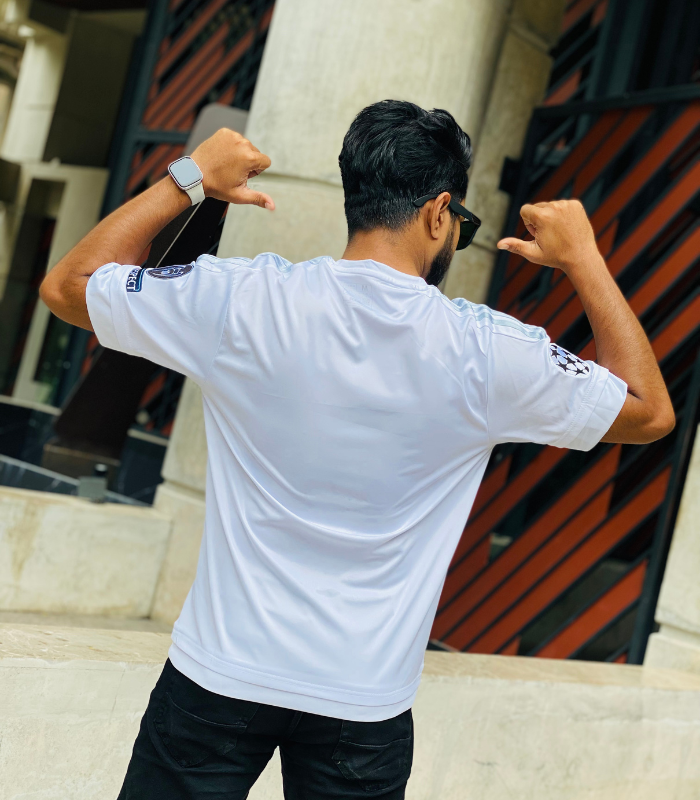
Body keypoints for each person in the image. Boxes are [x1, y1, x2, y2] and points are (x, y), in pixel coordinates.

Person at [40, 99, 674, 800]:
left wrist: (189, 177)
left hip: (219, 672)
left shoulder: (244, 299)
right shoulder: (489, 351)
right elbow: (649, 412)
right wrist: (584, 258)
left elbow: (67, 287)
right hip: (363, 705)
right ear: (439, 212)